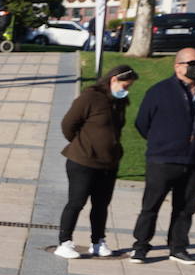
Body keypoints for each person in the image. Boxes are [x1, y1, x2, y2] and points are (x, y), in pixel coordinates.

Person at [131, 48, 195, 264]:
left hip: (192, 160)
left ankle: (178, 248)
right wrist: (161, 141)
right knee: (151, 206)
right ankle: (140, 247)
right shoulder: (159, 91)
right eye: (191, 62)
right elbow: (142, 123)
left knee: (185, 208)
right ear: (178, 66)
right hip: (162, 159)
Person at [55, 65, 139, 259]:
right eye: (125, 85)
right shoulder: (90, 98)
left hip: (108, 164)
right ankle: (64, 242)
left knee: (101, 205)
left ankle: (98, 241)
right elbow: (68, 124)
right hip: (82, 161)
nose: (126, 89)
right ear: (113, 80)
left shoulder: (119, 102)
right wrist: (83, 144)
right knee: (76, 202)